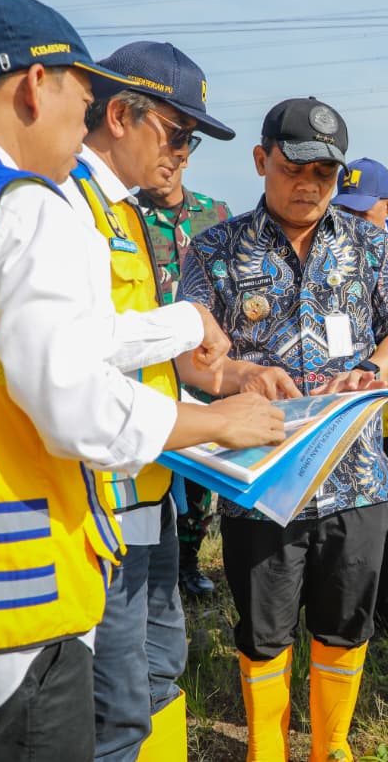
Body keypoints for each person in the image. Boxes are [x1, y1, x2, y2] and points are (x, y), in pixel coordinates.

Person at [0, 0, 284, 761]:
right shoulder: (18, 206)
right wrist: (218, 421)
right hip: (7, 609)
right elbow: (76, 404)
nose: (87, 121)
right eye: (83, 96)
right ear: (38, 85)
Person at [176, 97, 388, 762]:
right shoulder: (216, 249)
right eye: (295, 167)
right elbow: (191, 359)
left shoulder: (369, 243)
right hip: (260, 477)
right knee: (264, 625)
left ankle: (331, 744)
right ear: (262, 160)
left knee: (346, 619)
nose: (311, 184)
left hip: (357, 473)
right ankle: (266, 746)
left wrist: (371, 368)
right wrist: (239, 377)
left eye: (327, 172)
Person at [67, 39, 236, 762]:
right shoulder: (62, 203)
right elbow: (74, 349)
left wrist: (234, 375)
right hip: (101, 493)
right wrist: (187, 322)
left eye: (192, 141)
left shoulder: (123, 210)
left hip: (151, 485)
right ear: (119, 114)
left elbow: (143, 348)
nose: (183, 155)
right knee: (116, 703)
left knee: (163, 665)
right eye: (177, 134)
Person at [331, 156, 388, 634]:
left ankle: (387, 598)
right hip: (345, 411)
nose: (350, 223)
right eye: (343, 211)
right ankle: (344, 602)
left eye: (361, 214)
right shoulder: (329, 255)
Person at [134, 161, 233, 600]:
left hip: (205, 365)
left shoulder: (215, 214)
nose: (169, 163)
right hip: (150, 361)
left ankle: (187, 561)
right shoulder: (127, 215)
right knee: (150, 466)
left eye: (181, 149)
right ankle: (149, 559)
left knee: (199, 478)